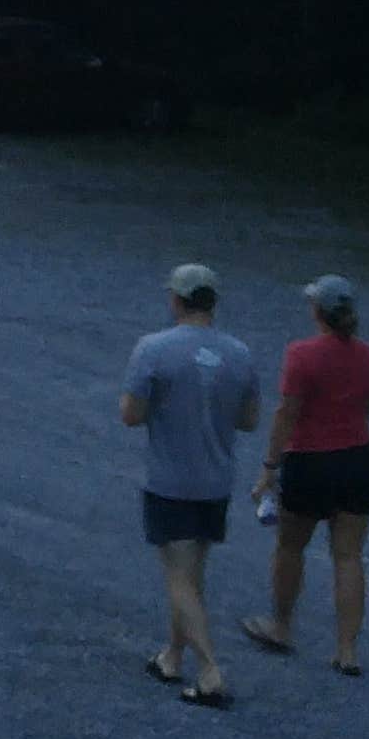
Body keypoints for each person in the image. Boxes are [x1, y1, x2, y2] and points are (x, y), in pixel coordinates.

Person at [119, 260, 262, 706]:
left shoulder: (153, 349)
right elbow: (250, 419)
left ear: (177, 299)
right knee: (193, 576)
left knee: (178, 580)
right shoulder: (239, 353)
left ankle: (210, 670)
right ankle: (172, 655)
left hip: (170, 480)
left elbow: (131, 414)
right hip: (215, 481)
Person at [245, 272, 369, 676]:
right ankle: (347, 650)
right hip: (359, 460)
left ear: (317, 311)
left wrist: (269, 467)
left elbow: (287, 412)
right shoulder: (368, 355)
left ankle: (281, 626)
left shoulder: (302, 354)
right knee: (349, 555)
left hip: (310, 461)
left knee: (290, 546)